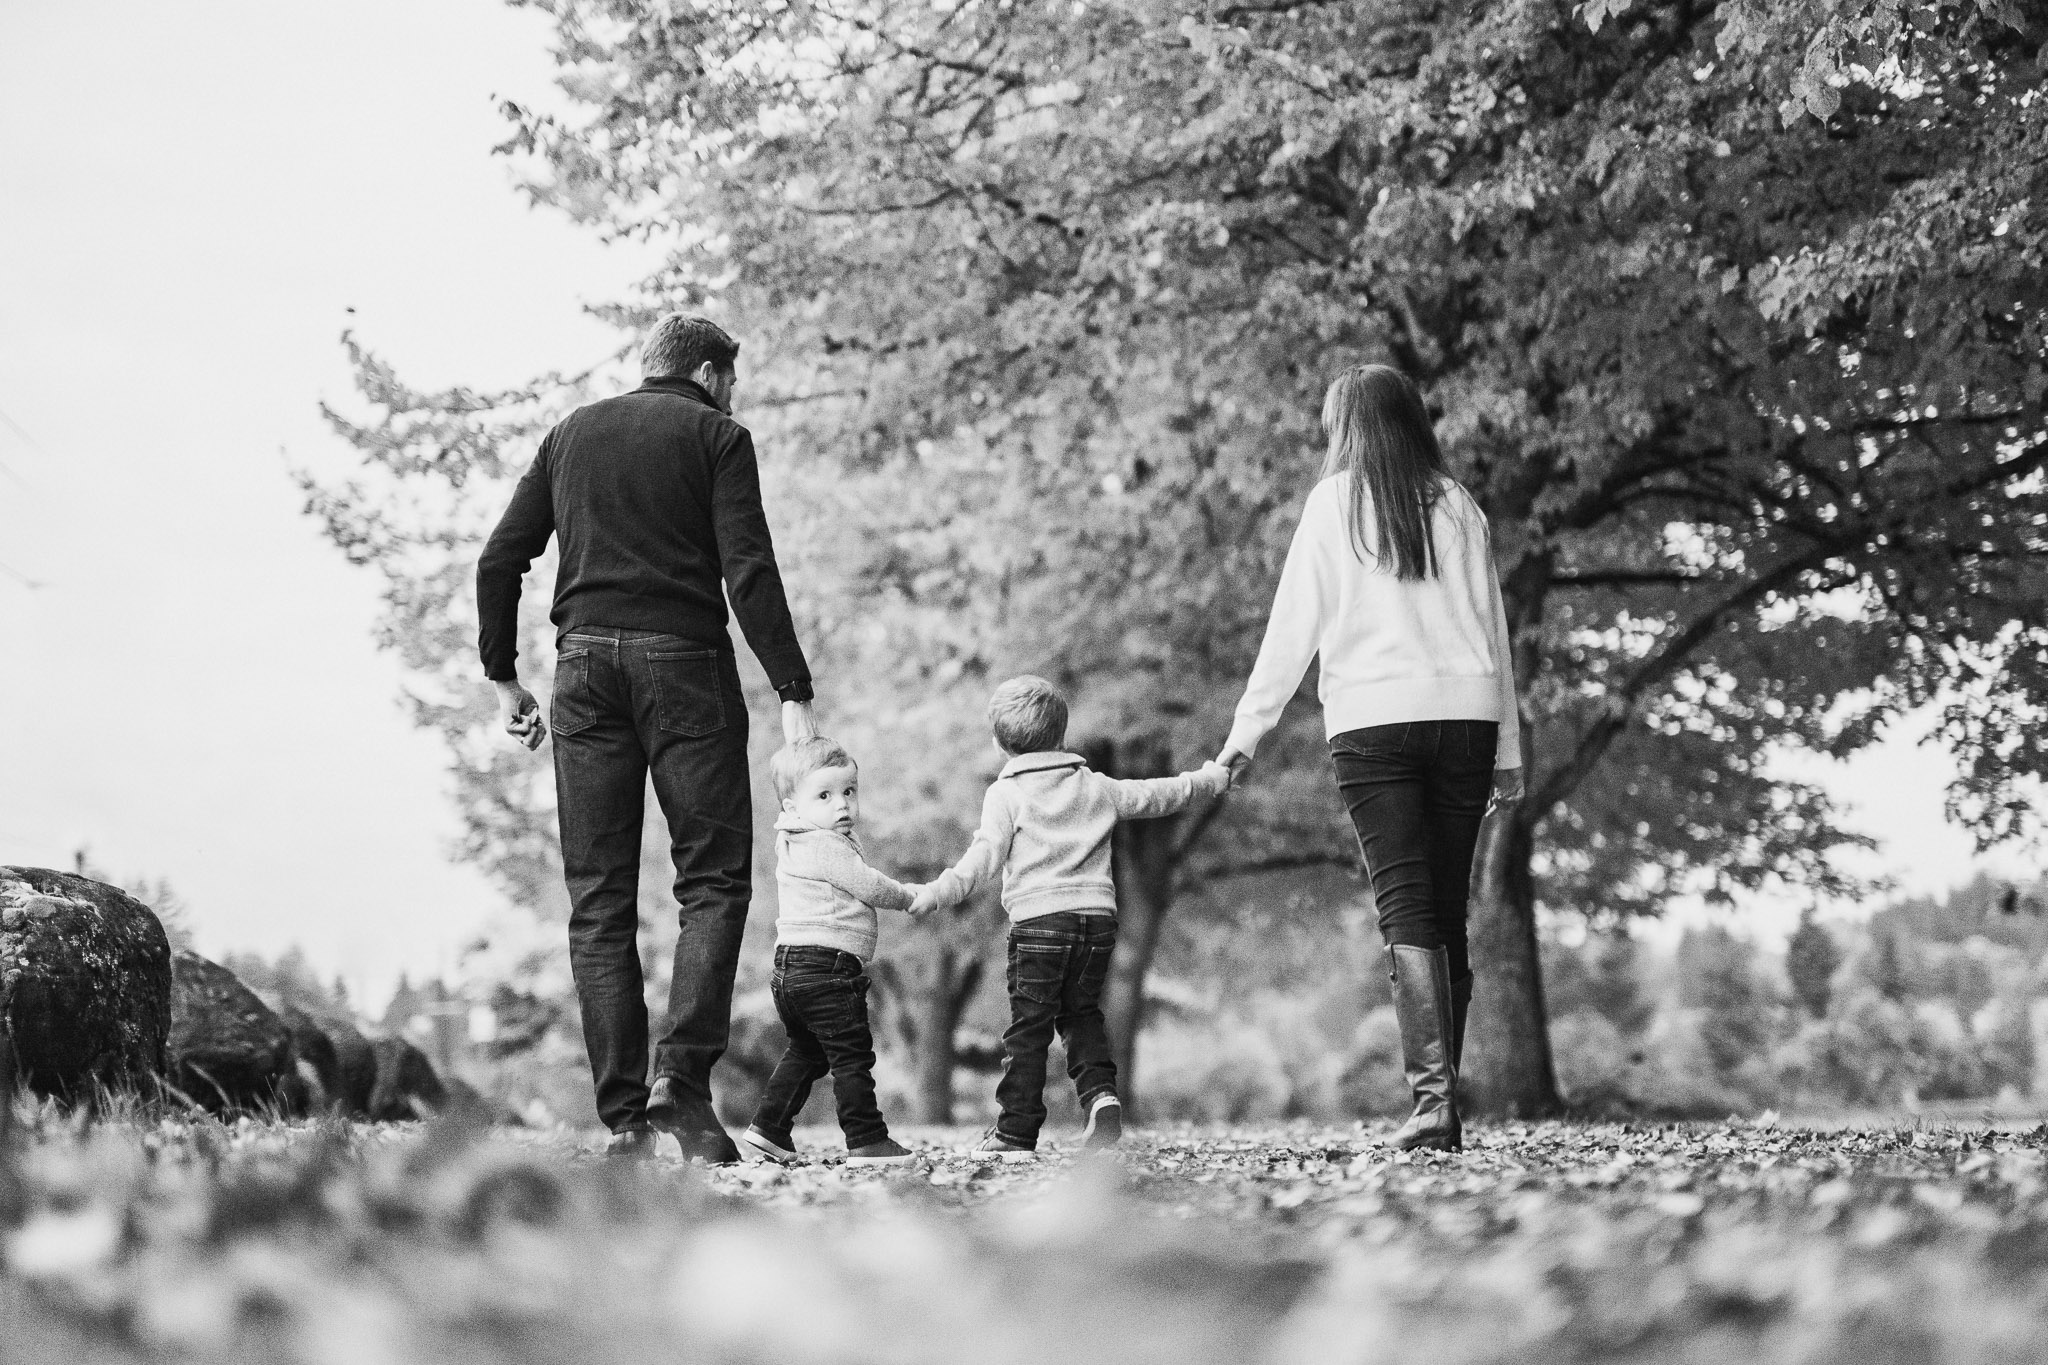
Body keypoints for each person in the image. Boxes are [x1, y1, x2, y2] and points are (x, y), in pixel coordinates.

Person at [475, 315, 817, 1162]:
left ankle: (626, 1118)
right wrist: (792, 687)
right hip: (685, 666)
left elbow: (498, 560)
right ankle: (682, 1085)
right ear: (706, 373)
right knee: (713, 881)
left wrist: (504, 676)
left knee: (598, 900)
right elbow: (748, 569)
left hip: (583, 672)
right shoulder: (719, 438)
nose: (733, 397)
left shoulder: (568, 435)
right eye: (731, 380)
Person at [1218, 364, 1523, 1153]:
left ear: (1346, 427)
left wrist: (1246, 733)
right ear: (1412, 419)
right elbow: (1494, 633)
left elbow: (1292, 626)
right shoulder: (1460, 505)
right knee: (1446, 907)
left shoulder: (1334, 503)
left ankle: (1434, 1103)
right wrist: (1508, 749)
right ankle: (1440, 1101)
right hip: (1467, 718)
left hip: (1374, 723)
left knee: (1407, 907)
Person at [917, 675, 1230, 1158]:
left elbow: (984, 857)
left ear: (1000, 744)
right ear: (1062, 736)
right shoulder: (1095, 786)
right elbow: (1157, 794)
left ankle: (1015, 1131)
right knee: (1081, 1014)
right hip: (1096, 923)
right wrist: (1210, 778)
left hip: (1039, 924)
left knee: (1029, 1026)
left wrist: (941, 890)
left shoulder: (1006, 794)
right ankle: (1101, 1097)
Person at [740, 737, 924, 1167]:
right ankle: (867, 1138)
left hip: (790, 972)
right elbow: (869, 885)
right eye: (824, 795)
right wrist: (909, 895)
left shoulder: (793, 838)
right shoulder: (823, 845)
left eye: (848, 791)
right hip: (827, 970)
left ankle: (769, 1127)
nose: (841, 804)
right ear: (792, 807)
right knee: (851, 1056)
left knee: (806, 1051)